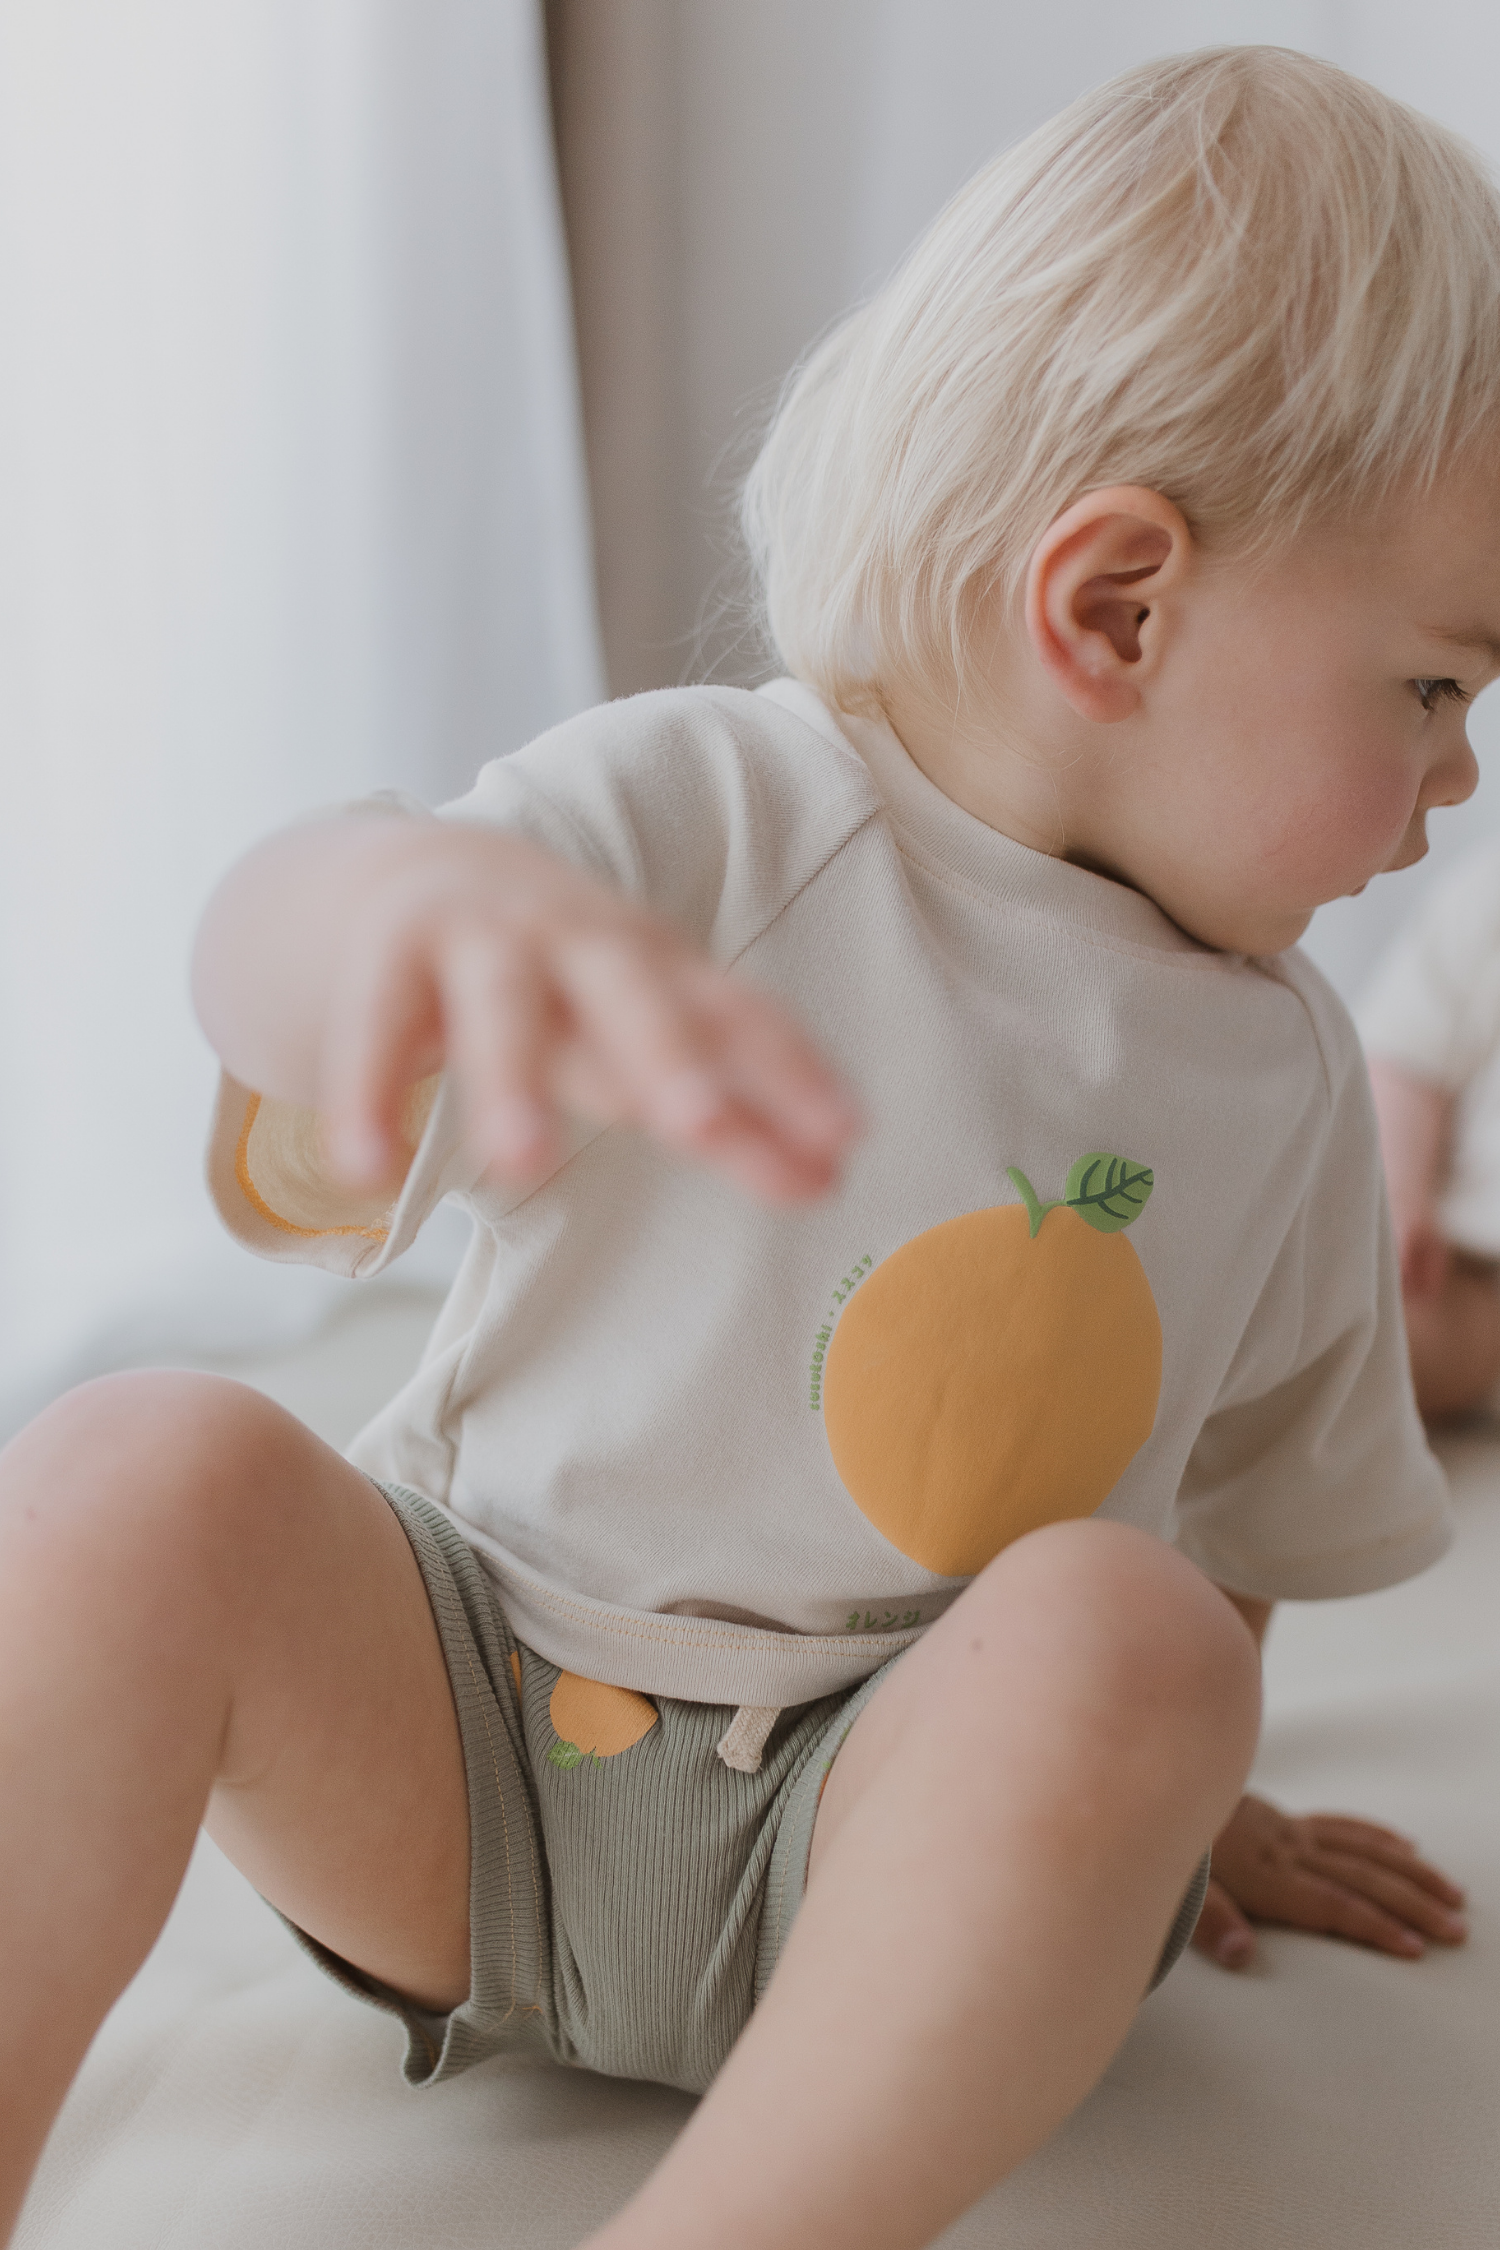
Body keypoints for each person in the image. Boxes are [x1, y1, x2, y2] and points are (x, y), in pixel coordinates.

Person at [0, 45, 1486, 2250]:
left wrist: (1171, 1790)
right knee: (135, 1471)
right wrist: (372, 926)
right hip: (477, 1747)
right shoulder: (705, 809)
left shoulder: (1276, 1068)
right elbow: (289, 1020)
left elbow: (1235, 1517)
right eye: (1436, 693)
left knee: (1134, 1640)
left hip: (869, 1852)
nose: (1456, 789)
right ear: (1119, 611)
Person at [1361, 843, 1500, 1419]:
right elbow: (1403, 1058)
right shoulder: (1482, 899)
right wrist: (1399, 1193)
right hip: (1462, 1267)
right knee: (1379, 1332)